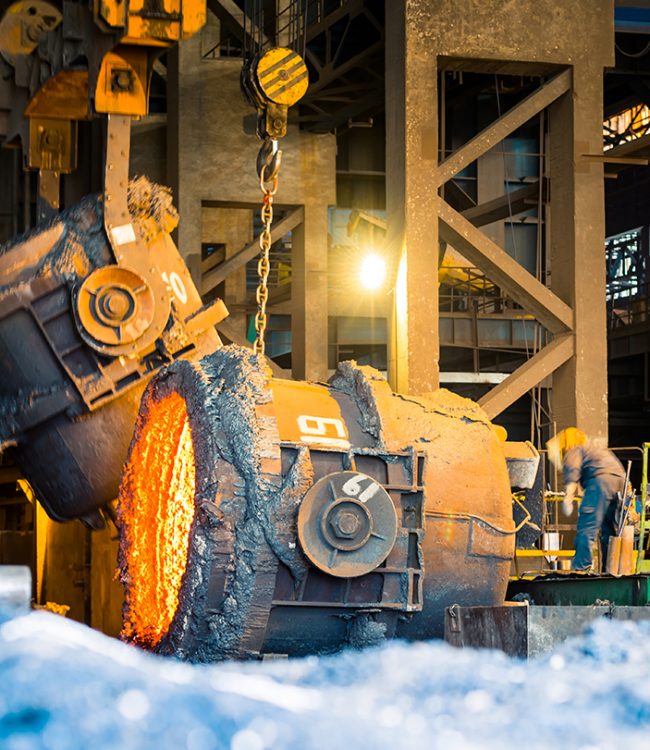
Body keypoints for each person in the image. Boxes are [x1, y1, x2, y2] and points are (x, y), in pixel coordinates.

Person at [546, 428, 626, 572]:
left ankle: (581, 567)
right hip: (620, 481)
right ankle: (611, 569)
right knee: (610, 530)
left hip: (600, 482)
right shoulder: (596, 449)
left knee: (586, 527)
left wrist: (568, 498)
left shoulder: (575, 449)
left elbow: (573, 470)